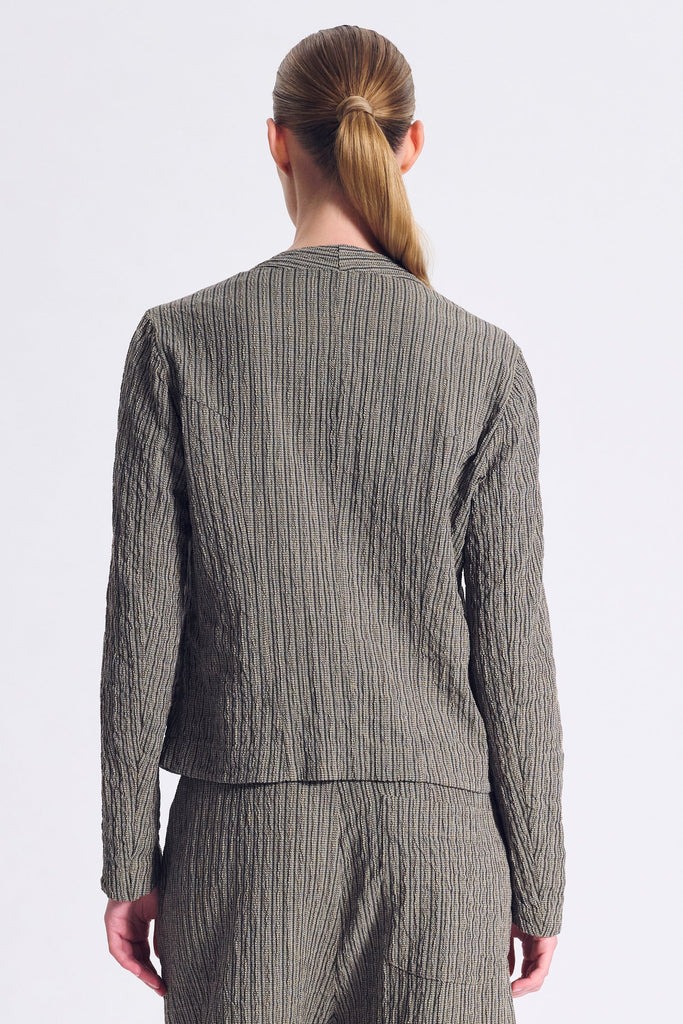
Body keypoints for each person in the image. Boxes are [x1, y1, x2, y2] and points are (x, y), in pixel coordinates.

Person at [100, 23, 566, 1024]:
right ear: (410, 144)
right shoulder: (484, 364)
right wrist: (537, 875)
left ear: (276, 140)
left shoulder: (178, 344)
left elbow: (141, 624)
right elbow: (512, 644)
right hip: (438, 853)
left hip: (243, 845)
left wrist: (127, 856)